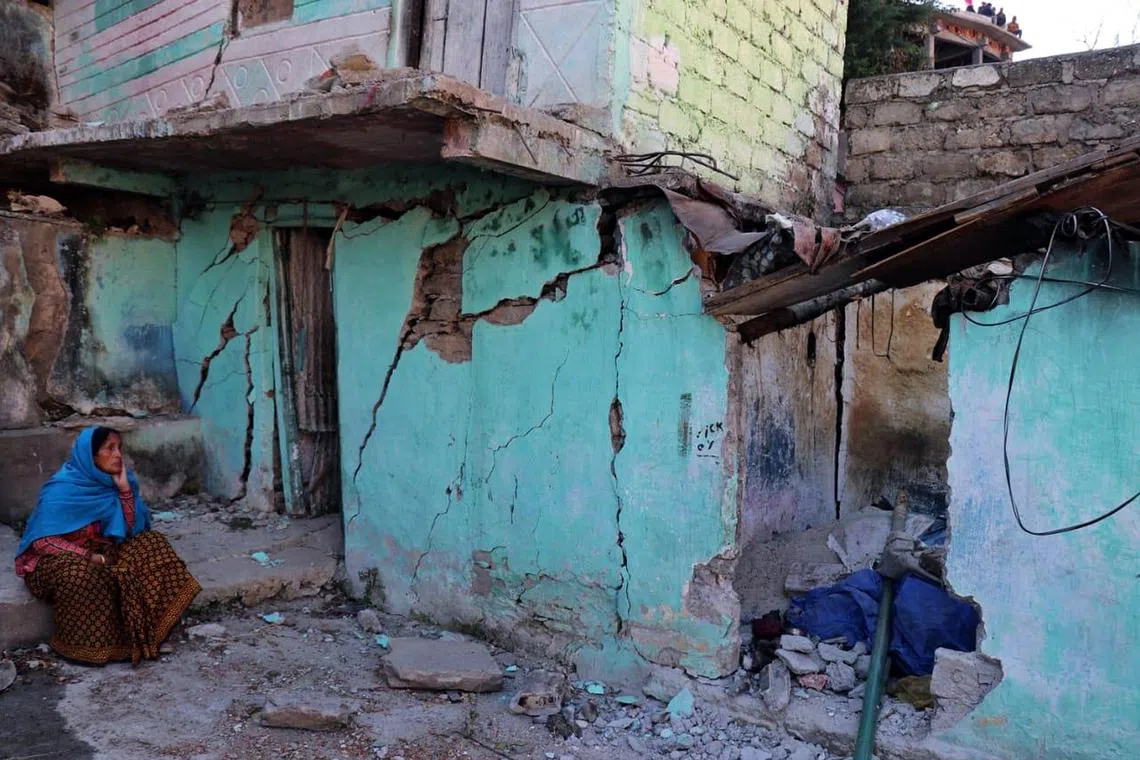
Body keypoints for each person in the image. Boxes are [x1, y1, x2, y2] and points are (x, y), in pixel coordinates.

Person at [14, 426, 201, 665]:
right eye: (109, 449)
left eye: (119, 448)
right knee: (81, 574)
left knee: (153, 544)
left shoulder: (119, 483)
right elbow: (43, 541)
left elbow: (133, 529)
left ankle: (145, 636)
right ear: (91, 456)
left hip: (105, 550)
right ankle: (84, 649)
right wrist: (87, 556)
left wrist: (124, 491)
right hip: (58, 558)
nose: (118, 455)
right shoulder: (61, 489)